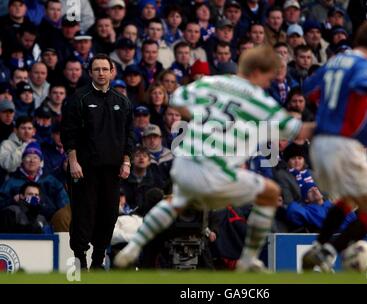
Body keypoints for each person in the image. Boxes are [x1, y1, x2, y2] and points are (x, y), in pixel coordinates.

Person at [114, 45, 315, 271]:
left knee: (176, 202)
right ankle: (248, 260)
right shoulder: (258, 99)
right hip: (215, 171)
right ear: (257, 72)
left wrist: (203, 118)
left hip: (186, 164)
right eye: (268, 78)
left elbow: (176, 99)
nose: (268, 84)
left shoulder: (212, 82)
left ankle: (134, 247)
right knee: (270, 193)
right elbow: (296, 130)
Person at [300, 22, 367, 272]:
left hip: (320, 145)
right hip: (344, 145)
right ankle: (328, 251)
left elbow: (310, 88)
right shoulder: (363, 63)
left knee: (350, 199)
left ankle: (320, 245)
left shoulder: (334, 61)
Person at [61, 54, 134, 270]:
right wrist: (73, 162)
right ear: (90, 72)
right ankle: (80, 259)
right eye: (97, 69)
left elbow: (129, 135)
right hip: (84, 170)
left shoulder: (122, 101)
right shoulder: (79, 98)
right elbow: (69, 133)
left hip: (112, 170)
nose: (101, 73)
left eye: (105, 69)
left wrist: (127, 161)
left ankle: (98, 260)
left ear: (112, 72)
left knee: (109, 215)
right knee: (83, 214)